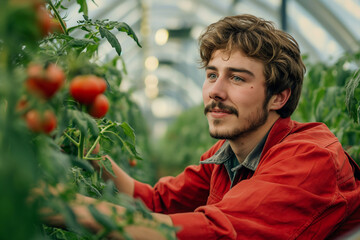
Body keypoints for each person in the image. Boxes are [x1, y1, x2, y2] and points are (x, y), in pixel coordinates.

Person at [44, 14, 360, 239]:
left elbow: (214, 232)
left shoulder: (309, 158)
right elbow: (156, 203)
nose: (215, 91)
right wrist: (88, 150)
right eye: (211, 75)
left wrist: (56, 204)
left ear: (279, 97)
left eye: (237, 77)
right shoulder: (226, 156)